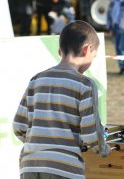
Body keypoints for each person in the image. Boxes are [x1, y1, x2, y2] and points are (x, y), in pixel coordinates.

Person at [13, 21, 110, 179]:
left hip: (30, 166)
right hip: (65, 169)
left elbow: (18, 126)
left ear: (60, 50)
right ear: (87, 49)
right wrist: (103, 149)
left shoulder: (36, 79)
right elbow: (91, 135)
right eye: (94, 56)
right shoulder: (85, 84)